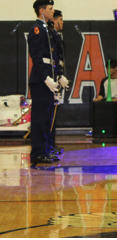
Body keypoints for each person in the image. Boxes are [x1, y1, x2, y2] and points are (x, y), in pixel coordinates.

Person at [28, 0, 66, 164]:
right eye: (50, 8)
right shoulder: (37, 29)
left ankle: (45, 149)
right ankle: (38, 152)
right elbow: (37, 57)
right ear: (41, 10)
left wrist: (59, 75)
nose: (53, 11)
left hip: (49, 78)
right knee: (40, 118)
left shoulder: (46, 29)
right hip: (41, 80)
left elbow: (53, 58)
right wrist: (45, 78)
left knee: (47, 118)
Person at [86, 59, 117, 136]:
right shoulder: (104, 80)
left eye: (110, 68)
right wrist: (98, 99)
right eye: (107, 68)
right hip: (107, 102)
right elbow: (101, 94)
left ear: (116, 68)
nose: (108, 70)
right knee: (97, 106)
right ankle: (95, 129)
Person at [47, 9, 69, 155]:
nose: (62, 23)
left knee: (53, 114)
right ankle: (46, 146)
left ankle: (51, 144)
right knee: (48, 115)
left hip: (57, 74)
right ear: (54, 20)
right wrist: (59, 74)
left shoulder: (56, 34)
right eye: (60, 20)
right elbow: (53, 56)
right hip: (51, 76)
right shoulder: (49, 33)